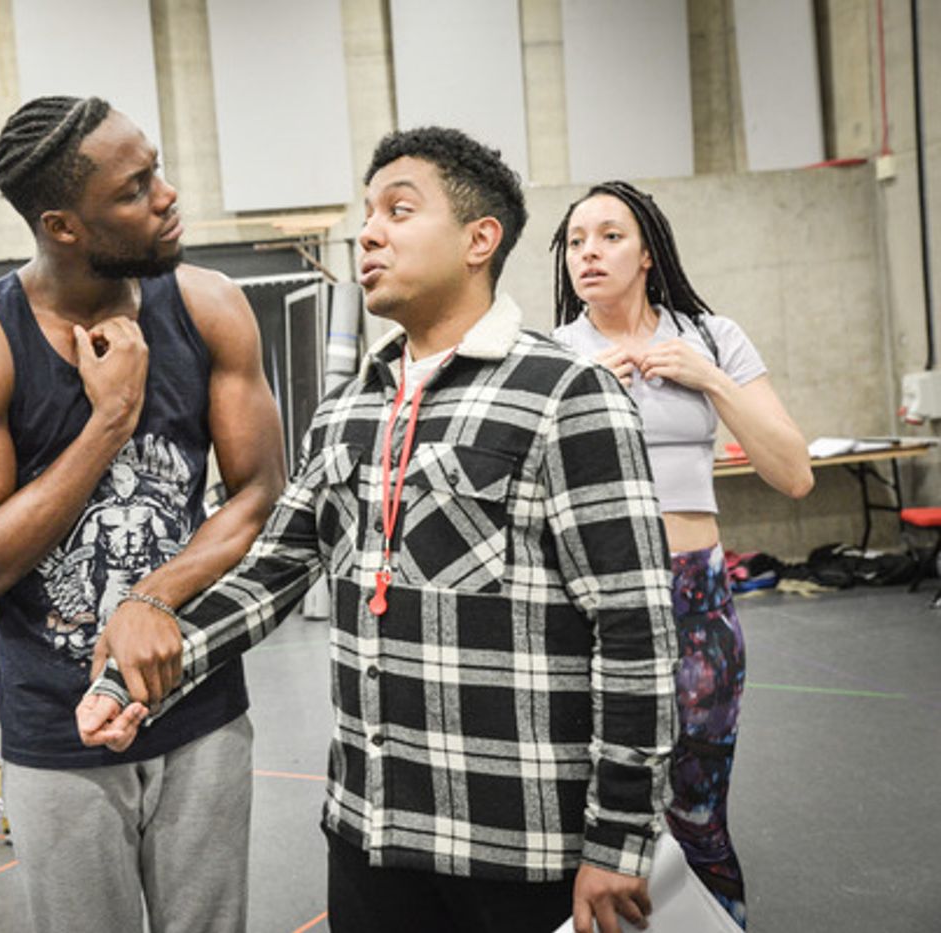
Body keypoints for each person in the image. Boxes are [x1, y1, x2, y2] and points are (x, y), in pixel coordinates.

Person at [80, 127, 679, 933]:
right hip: (369, 836)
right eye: (367, 212)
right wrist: (134, 679)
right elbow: (270, 573)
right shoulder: (347, 410)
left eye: (399, 209)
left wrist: (618, 839)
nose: (368, 231)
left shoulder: (567, 396)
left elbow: (636, 632)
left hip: (521, 847)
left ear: (479, 239)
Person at [0, 95, 285, 933]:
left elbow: (261, 493)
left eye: (155, 168)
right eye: (135, 187)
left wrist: (154, 594)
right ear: (64, 225)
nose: (166, 195)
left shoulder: (208, 306)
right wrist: (108, 420)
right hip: (58, 725)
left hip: (200, 704)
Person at [549, 181, 813, 928]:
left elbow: (792, 472)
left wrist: (708, 379)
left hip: (696, 604)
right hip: (593, 610)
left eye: (608, 236)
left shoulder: (712, 334)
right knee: (598, 823)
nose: (588, 253)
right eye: (575, 241)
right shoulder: (555, 355)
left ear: (647, 253)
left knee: (697, 814)